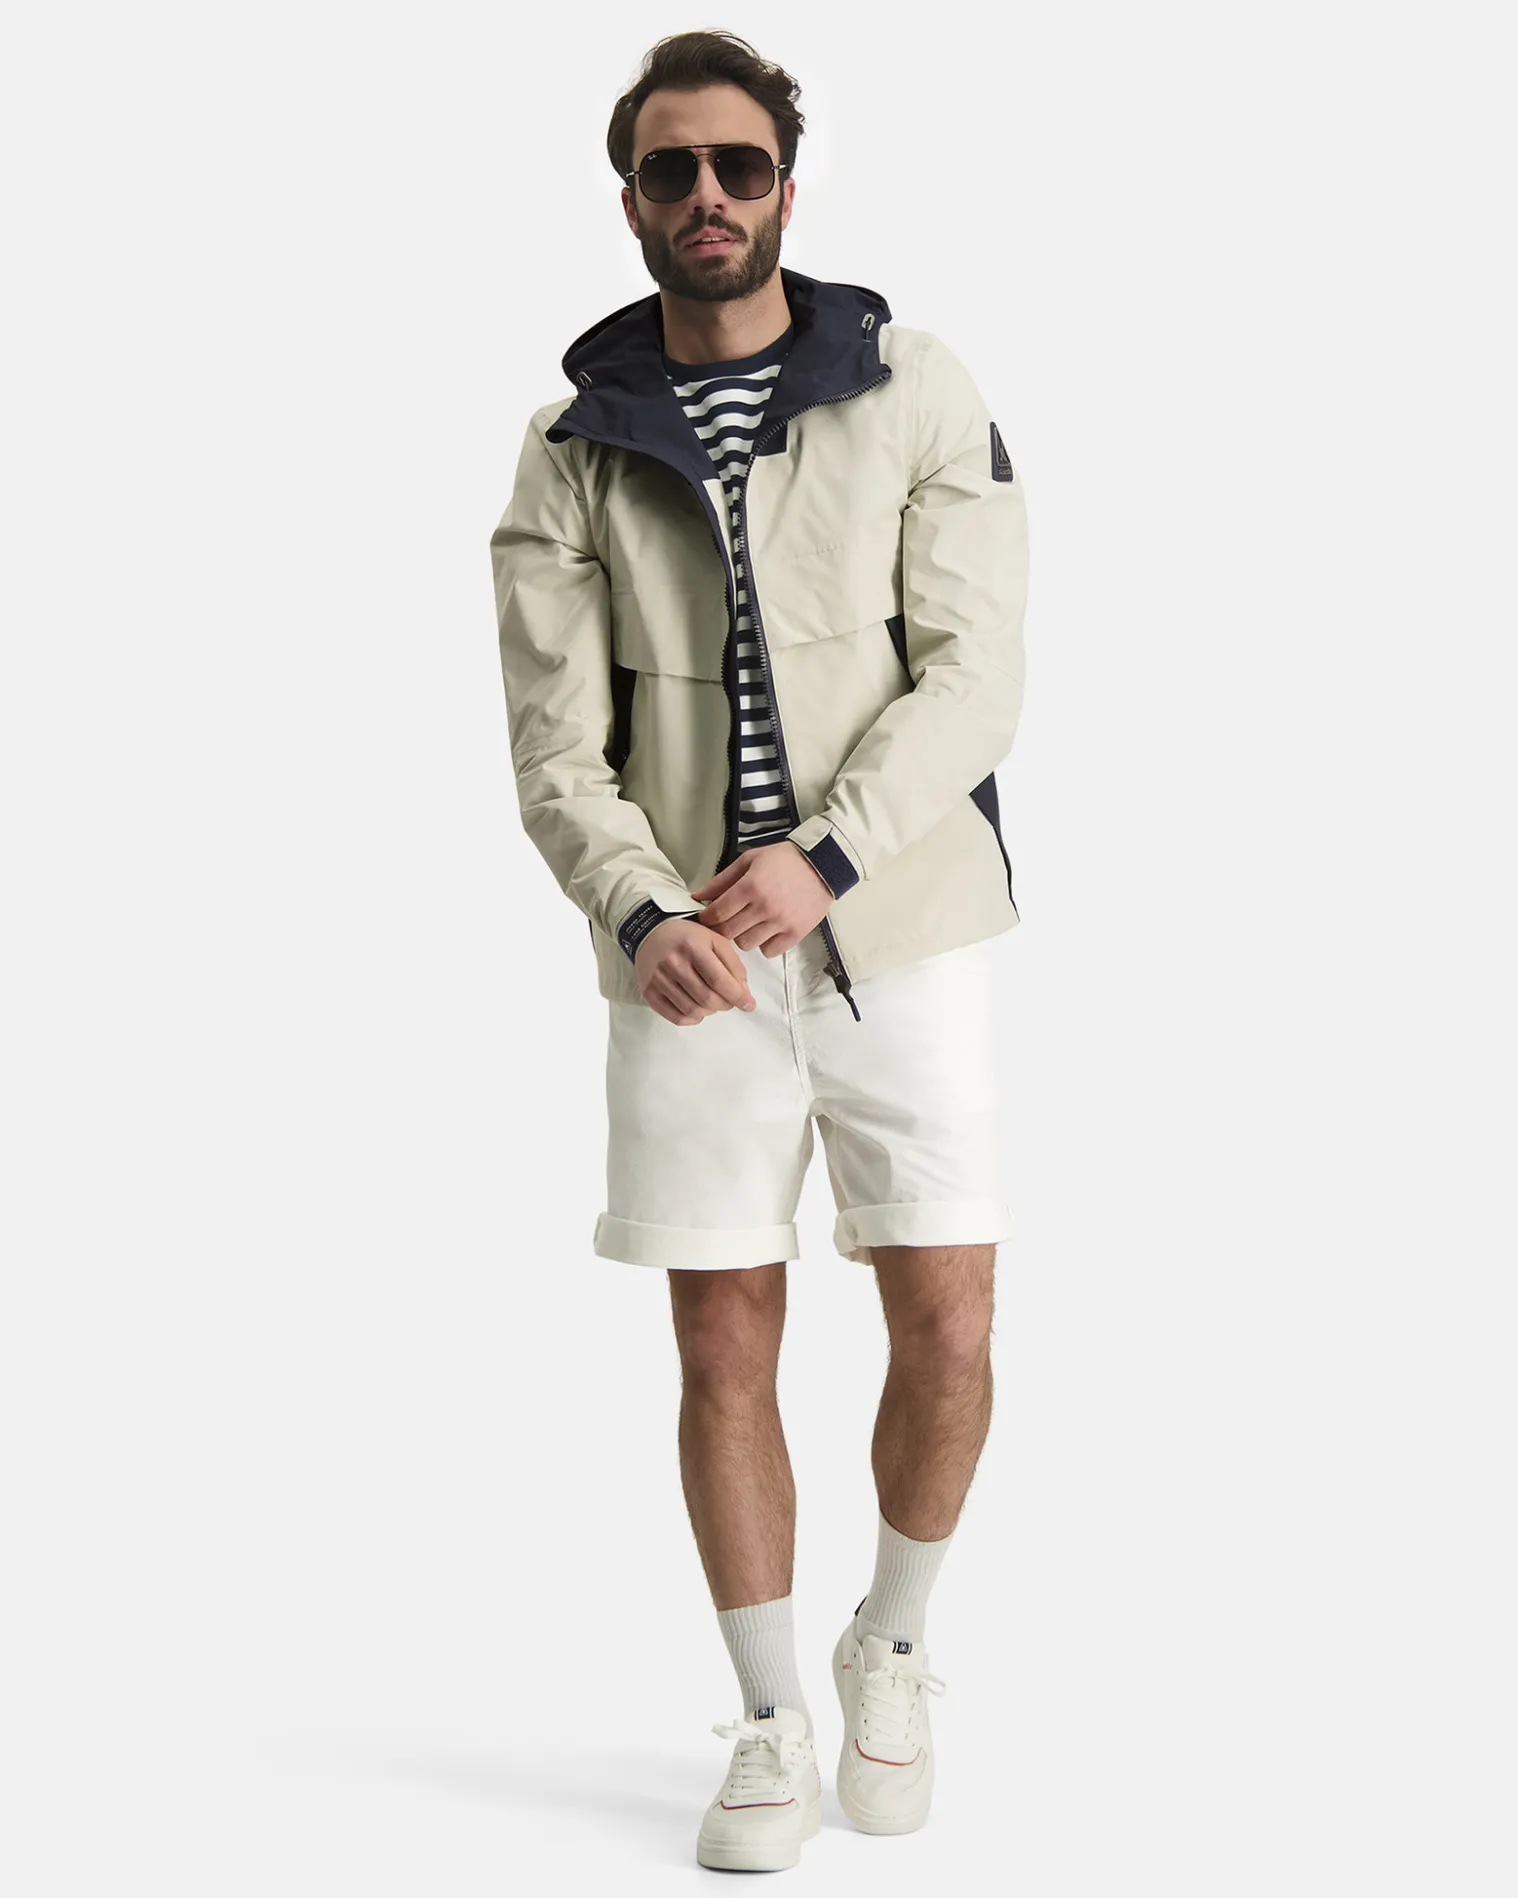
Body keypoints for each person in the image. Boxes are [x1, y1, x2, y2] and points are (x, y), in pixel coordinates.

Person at [490, 28, 1029, 1874]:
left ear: (787, 184)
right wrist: (642, 910)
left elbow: (973, 675)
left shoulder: (915, 385)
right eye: (671, 169)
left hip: (903, 929)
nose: (705, 195)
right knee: (722, 1334)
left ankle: (895, 1643)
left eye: (736, 164)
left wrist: (828, 857)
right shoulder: (568, 447)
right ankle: (771, 1717)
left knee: (948, 1313)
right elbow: (553, 748)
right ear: (629, 198)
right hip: (687, 965)